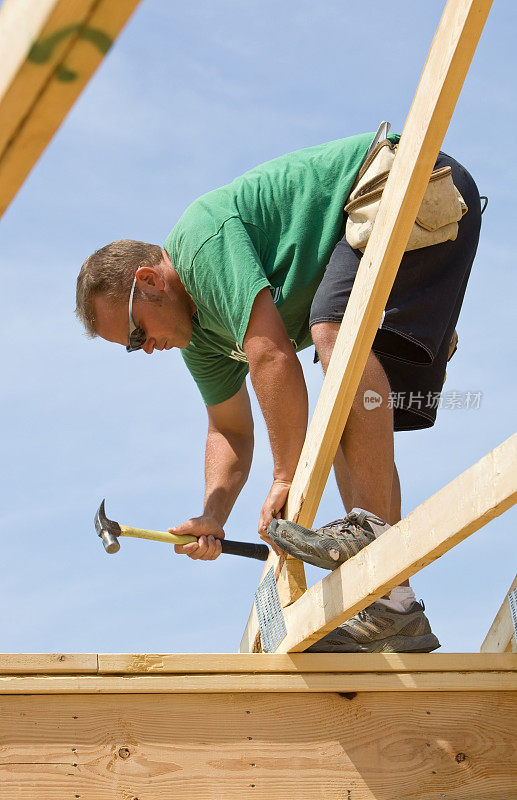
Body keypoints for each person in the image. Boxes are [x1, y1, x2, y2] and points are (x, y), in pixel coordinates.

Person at [75, 131, 482, 652]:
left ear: (151, 280)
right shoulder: (198, 337)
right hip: (388, 215)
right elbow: (229, 429)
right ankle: (395, 604)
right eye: (132, 347)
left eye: (136, 331)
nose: (145, 347)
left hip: (411, 182)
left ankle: (374, 542)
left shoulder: (201, 246)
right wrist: (213, 514)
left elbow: (271, 355)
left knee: (333, 331)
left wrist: (289, 475)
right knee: (341, 414)